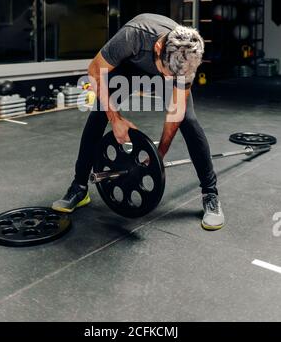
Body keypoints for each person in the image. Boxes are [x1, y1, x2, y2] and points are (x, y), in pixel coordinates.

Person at [52, 13, 225, 230]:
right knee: (99, 114)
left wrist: (158, 155)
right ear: (158, 49)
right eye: (170, 75)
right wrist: (116, 119)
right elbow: (94, 72)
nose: (173, 81)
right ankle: (78, 187)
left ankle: (210, 193)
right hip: (130, 68)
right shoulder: (134, 36)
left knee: (188, 121)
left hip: (162, 66)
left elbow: (176, 113)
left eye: (176, 77)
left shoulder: (187, 56)